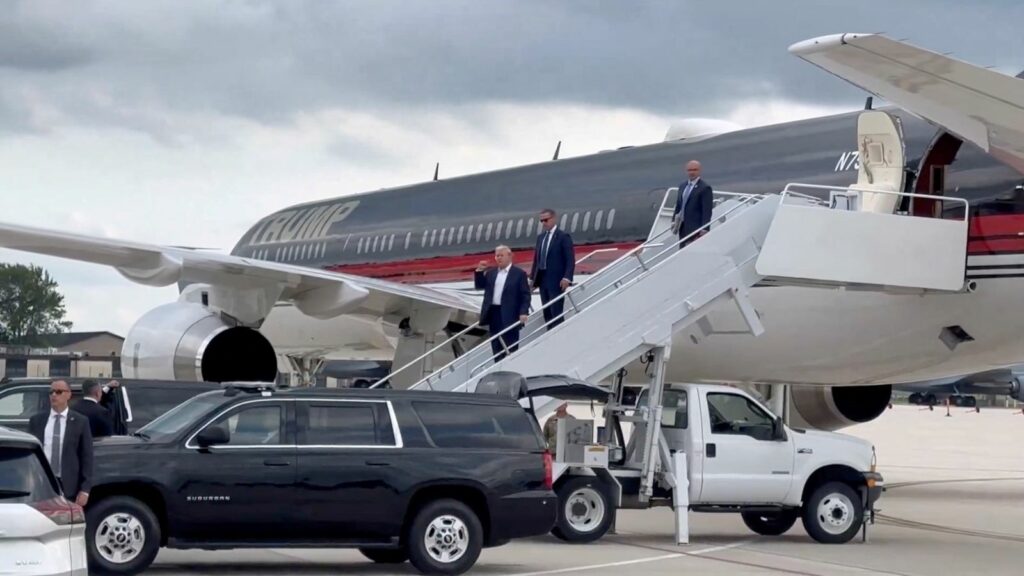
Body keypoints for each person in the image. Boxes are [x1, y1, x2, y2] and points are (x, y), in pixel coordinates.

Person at [29, 380, 93, 507]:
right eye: (51, 392)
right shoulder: (37, 420)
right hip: (41, 482)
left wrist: (85, 490)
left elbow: (87, 457)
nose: (53, 395)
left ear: (69, 394)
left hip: (69, 485)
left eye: (58, 392)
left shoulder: (80, 421)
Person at [475, 245, 531, 361]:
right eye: (497, 256)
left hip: (510, 314)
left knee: (510, 346)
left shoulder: (519, 274)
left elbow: (525, 295)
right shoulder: (491, 273)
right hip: (494, 313)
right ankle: (498, 366)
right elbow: (480, 286)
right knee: (496, 346)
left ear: (510, 256)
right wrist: (479, 271)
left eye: (501, 255)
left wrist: (523, 312)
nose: (498, 258)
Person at [530, 209, 575, 329]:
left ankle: (559, 334)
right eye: (541, 221)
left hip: (556, 280)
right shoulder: (541, 238)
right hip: (542, 280)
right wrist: (532, 279)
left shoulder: (563, 237)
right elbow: (537, 260)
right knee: (547, 311)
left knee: (556, 311)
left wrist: (567, 277)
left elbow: (570, 259)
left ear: (554, 219)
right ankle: (550, 333)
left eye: (546, 220)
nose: (544, 223)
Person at [671, 160, 714, 248]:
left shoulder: (705, 188)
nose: (692, 172)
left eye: (695, 170)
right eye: (689, 170)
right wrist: (673, 221)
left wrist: (705, 228)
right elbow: (679, 205)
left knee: (693, 251)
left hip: (696, 228)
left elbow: (707, 211)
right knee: (682, 250)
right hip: (682, 226)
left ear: (699, 171)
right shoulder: (682, 186)